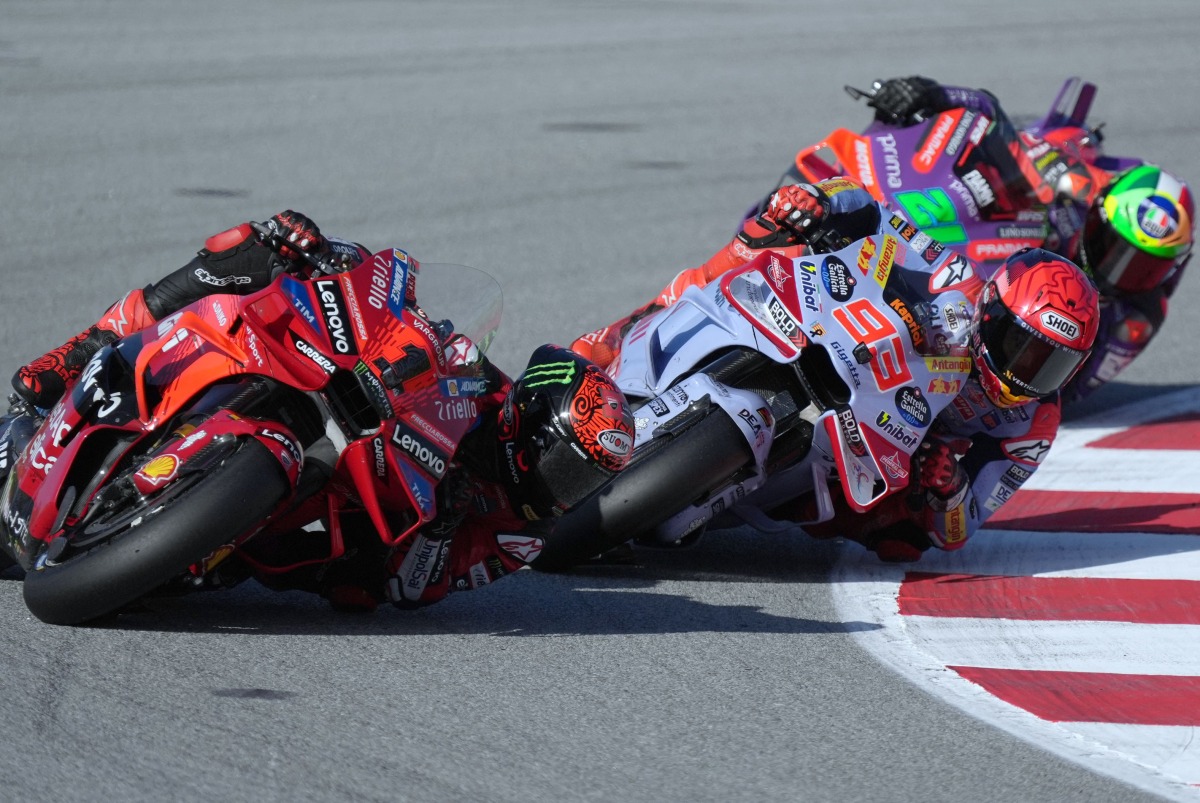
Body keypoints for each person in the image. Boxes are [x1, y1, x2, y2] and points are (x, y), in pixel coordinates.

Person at [4, 211, 634, 609]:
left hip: (339, 537)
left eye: (587, 482)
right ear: (529, 424)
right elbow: (433, 334)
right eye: (568, 468)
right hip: (352, 425)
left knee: (354, 587)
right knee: (250, 247)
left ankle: (181, 529)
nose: (566, 492)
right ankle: (82, 351)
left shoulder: (518, 538)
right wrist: (338, 257)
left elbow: (416, 590)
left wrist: (443, 525)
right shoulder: (486, 389)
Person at [572, 178, 1099, 562]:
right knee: (765, 239)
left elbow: (965, 525)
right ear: (992, 311)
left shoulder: (1033, 424)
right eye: (1021, 346)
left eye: (1051, 364)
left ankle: (741, 491)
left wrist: (949, 487)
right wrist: (819, 202)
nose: (1025, 371)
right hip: (866, 358)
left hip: (899, 444)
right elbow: (874, 208)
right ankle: (619, 337)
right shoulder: (956, 277)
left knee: (904, 541)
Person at [814, 76, 1194, 403]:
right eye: (1116, 249)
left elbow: (1073, 387)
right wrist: (929, 95)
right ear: (1099, 214)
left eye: (1143, 266)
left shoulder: (1137, 317)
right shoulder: (1080, 190)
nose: (1118, 270)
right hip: (997, 255)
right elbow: (994, 117)